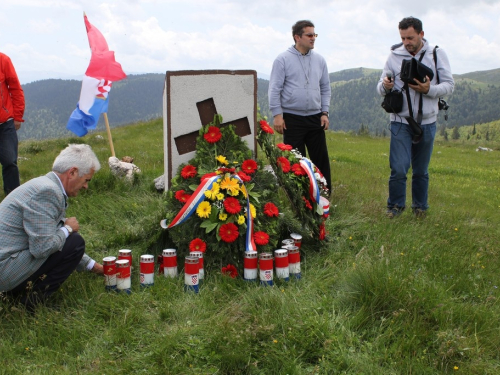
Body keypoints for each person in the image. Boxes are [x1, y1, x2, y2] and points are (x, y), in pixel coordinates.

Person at [0, 144, 103, 311]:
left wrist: (94, 267)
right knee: (75, 241)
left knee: (69, 240)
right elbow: (42, 248)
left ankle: (15, 293)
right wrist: (67, 229)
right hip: (4, 269)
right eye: (86, 180)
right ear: (72, 172)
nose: (86, 186)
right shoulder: (47, 192)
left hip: (6, 261)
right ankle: (30, 304)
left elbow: (51, 234)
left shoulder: (44, 185)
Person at [377, 17, 454, 218]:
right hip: (400, 121)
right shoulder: (394, 55)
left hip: (427, 121)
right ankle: (394, 209)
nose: (406, 42)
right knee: (399, 168)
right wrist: (385, 86)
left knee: (420, 170)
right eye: (403, 38)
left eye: (410, 37)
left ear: (421, 34)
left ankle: (420, 208)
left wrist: (429, 89)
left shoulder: (436, 54)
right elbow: (380, 87)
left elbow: (449, 85)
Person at [269, 20, 332, 194]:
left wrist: (324, 112)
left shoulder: (320, 60)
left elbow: (325, 87)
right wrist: (277, 115)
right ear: (297, 37)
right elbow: (274, 88)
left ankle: (325, 196)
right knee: (295, 162)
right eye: (309, 35)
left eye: (315, 35)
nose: (313, 38)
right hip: (292, 118)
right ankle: (298, 198)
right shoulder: (282, 59)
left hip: (315, 117)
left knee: (321, 160)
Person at [0, 52, 25, 196]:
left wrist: (17, 116)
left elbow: (15, 88)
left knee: (10, 161)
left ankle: (14, 199)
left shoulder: (3, 60)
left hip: (5, 123)